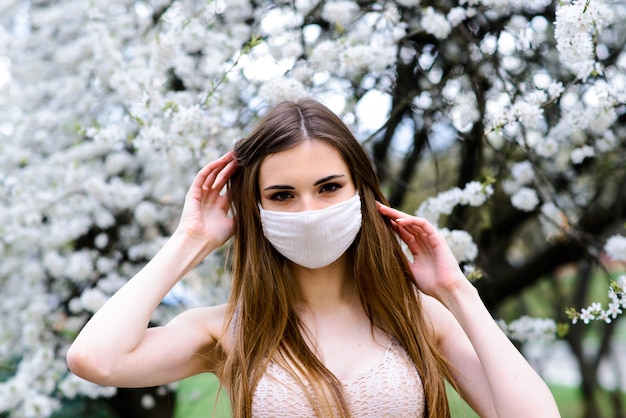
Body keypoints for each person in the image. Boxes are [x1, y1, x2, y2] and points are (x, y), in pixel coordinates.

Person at [67, 98, 560, 417]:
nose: (308, 212)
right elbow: (95, 359)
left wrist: (456, 290)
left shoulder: (418, 317)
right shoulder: (231, 331)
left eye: (329, 187)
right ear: (255, 209)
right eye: (282, 195)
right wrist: (191, 238)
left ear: (363, 191)